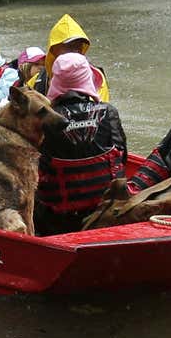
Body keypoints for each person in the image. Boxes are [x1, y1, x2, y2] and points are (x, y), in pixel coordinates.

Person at [36, 52, 127, 235]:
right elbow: (122, 156)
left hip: (57, 220)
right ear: (87, 81)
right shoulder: (109, 113)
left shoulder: (43, 121)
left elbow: (40, 167)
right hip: (106, 211)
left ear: (56, 83)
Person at [32, 14, 110, 102]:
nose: (77, 50)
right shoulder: (37, 81)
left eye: (79, 45)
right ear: (53, 49)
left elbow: (100, 110)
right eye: (69, 46)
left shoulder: (96, 78)